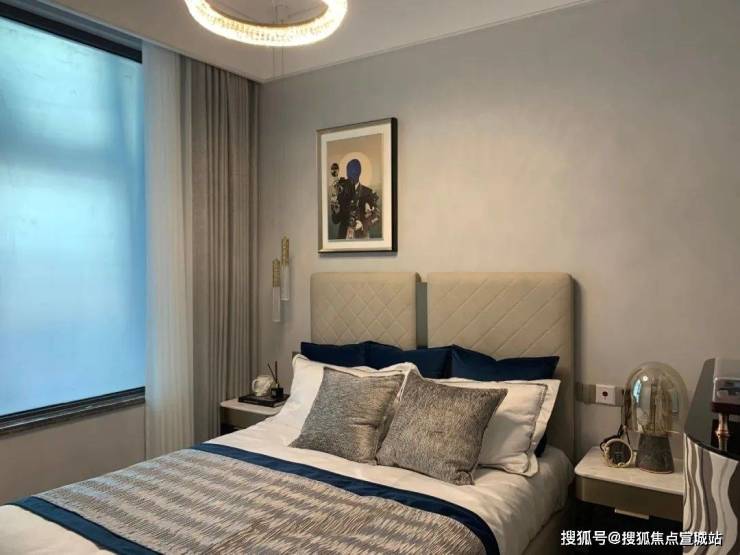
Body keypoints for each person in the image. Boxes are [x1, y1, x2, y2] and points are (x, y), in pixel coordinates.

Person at [330, 158, 380, 239]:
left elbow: (377, 216)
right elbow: (335, 220)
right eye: (349, 171)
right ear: (347, 173)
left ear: (359, 173)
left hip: (361, 238)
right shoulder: (341, 192)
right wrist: (336, 211)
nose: (351, 174)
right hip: (342, 239)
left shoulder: (368, 192)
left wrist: (363, 224)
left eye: (354, 171)